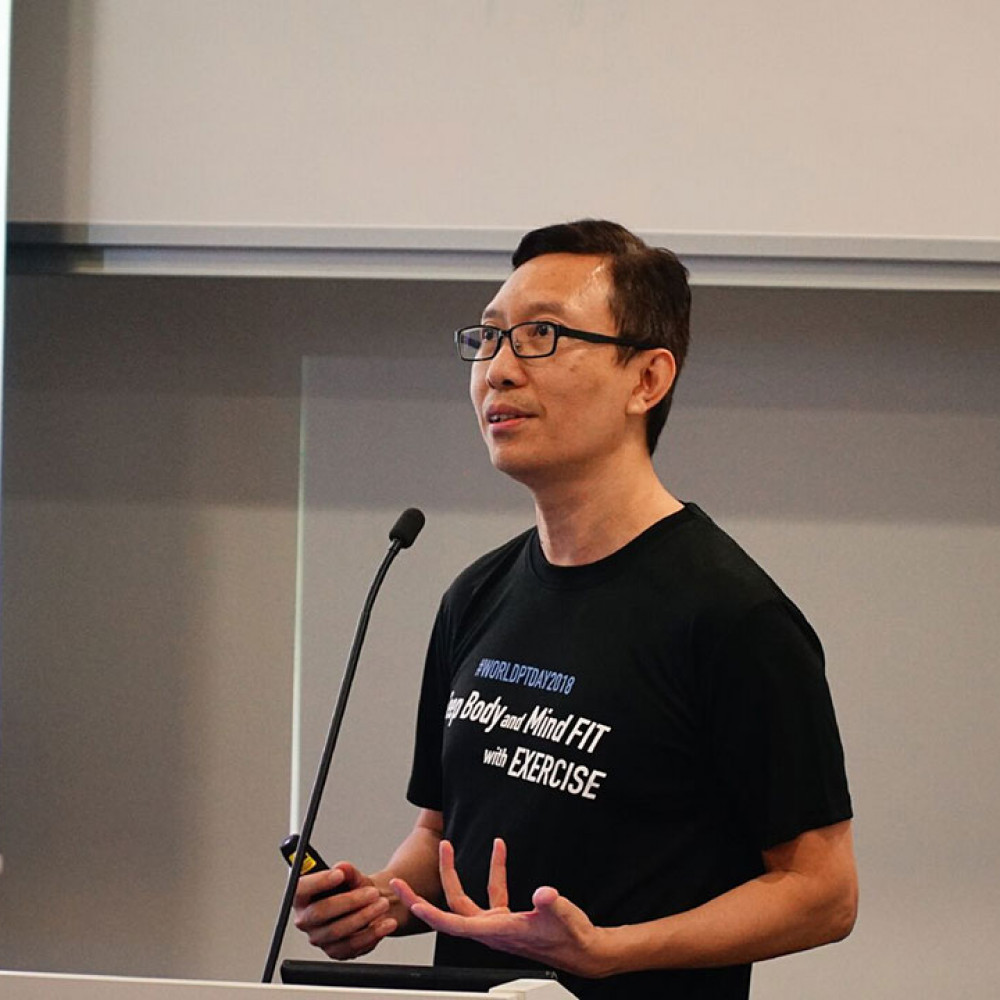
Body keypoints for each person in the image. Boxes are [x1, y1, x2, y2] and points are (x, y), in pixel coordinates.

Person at [293, 220, 858, 999]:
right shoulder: (476, 596)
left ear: (647, 380)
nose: (497, 372)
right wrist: (387, 901)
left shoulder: (733, 615)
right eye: (488, 340)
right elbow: (440, 832)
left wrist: (611, 951)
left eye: (541, 336)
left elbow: (823, 894)